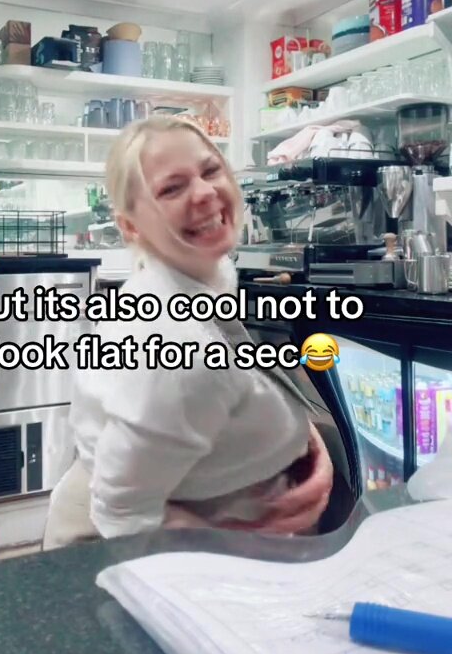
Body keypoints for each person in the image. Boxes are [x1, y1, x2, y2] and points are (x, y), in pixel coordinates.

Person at [43, 116, 333, 549]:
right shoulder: (175, 346)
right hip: (114, 539)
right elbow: (121, 511)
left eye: (210, 170)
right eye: (172, 188)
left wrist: (301, 447)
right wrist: (225, 536)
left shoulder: (206, 272)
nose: (204, 192)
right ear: (131, 226)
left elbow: (237, 388)